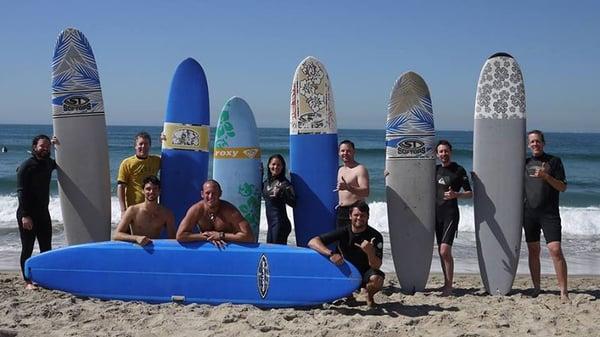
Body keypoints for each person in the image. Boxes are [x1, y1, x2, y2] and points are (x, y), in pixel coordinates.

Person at [308, 201, 384, 307]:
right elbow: (312, 242)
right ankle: (348, 295)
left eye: (362, 216)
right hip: (346, 270)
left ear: (368, 217)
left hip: (365, 272)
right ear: (350, 216)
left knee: (377, 279)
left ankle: (369, 296)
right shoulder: (343, 231)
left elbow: (377, 266)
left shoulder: (375, 236)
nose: (359, 218)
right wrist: (331, 254)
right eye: (356, 215)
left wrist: (370, 252)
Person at [523, 130, 569, 302]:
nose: (535, 144)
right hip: (529, 213)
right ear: (528, 145)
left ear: (543, 143)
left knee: (555, 250)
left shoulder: (554, 161)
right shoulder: (525, 162)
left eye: (538, 141)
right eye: (532, 142)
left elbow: (562, 187)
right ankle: (536, 287)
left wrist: (546, 176)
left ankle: (563, 291)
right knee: (533, 250)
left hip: (549, 214)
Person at [16, 135, 57, 289]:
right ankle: (27, 281)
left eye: (48, 146)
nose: (45, 148)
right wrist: (25, 215)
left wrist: (60, 144)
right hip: (27, 214)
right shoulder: (26, 166)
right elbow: (21, 191)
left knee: (46, 247)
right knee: (27, 247)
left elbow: (64, 161)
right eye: (42, 146)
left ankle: (45, 277)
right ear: (34, 147)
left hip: (43, 213)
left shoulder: (48, 163)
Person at [435, 140, 472, 296]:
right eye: (441, 151)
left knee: (444, 251)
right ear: (437, 154)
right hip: (436, 215)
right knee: (440, 251)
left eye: (446, 151)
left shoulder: (459, 170)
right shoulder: (434, 170)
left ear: (451, 152)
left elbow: (470, 193)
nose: (444, 154)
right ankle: (445, 283)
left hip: (451, 214)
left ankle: (449, 286)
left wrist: (456, 194)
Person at [176, 179, 254, 247]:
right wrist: (207, 237)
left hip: (228, 247)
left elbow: (249, 237)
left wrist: (221, 235)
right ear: (202, 194)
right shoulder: (196, 210)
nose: (210, 196)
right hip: (207, 248)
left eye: (214, 193)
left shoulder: (229, 211)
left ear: (220, 194)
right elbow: (180, 236)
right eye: (207, 193)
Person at [113, 176, 176, 245]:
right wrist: (136, 238)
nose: (151, 192)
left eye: (155, 189)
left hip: (154, 250)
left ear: (159, 191)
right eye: (148, 189)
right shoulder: (133, 210)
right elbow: (116, 235)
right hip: (137, 248)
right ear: (143, 191)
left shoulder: (166, 213)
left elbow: (173, 239)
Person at [117, 131, 161, 216]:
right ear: (135, 146)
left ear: (150, 146)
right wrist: (123, 210)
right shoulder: (127, 163)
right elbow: (121, 187)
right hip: (133, 208)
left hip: (151, 207)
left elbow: (171, 157)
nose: (143, 146)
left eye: (146, 144)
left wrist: (165, 139)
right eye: (140, 144)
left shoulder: (156, 160)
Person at [335, 140, 369, 229]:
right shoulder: (340, 170)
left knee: (355, 241)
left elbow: (365, 192)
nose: (345, 153)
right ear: (339, 153)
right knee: (342, 241)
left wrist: (348, 187)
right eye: (342, 151)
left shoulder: (360, 169)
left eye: (348, 151)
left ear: (354, 152)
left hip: (356, 211)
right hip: (341, 211)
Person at [263, 154, 296, 244]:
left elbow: (294, 203)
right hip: (271, 224)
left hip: (280, 224)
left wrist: (282, 193)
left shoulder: (284, 184)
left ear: (282, 167)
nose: (275, 167)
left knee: (275, 252)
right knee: (270, 251)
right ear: (269, 165)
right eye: (273, 164)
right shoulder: (266, 183)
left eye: (278, 165)